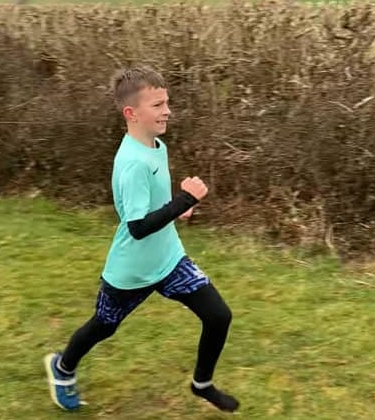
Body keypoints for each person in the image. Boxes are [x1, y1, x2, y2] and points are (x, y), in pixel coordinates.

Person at [44, 66, 239, 413]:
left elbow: (150, 208)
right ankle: (62, 367)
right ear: (131, 113)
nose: (167, 110)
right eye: (158, 104)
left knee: (218, 315)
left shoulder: (155, 145)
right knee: (102, 327)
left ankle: (202, 383)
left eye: (167, 102)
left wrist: (175, 210)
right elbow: (136, 226)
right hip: (131, 271)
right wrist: (186, 200)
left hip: (168, 259)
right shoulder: (132, 162)